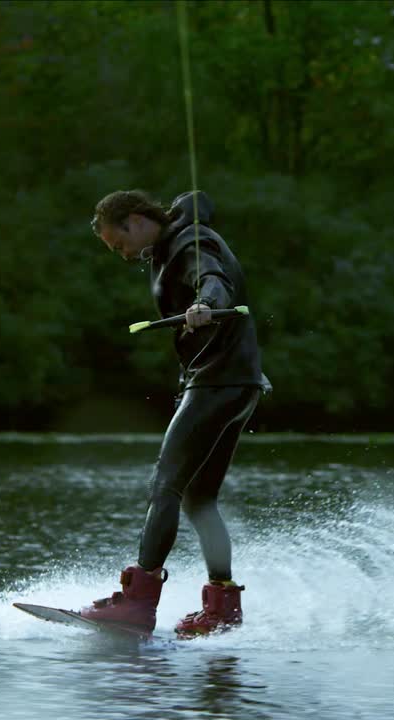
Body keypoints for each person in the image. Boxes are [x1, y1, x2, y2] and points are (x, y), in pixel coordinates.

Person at [82, 189, 268, 639]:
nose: (123, 254)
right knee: (198, 498)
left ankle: (138, 601)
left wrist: (206, 303)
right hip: (240, 384)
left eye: (118, 243)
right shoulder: (173, 245)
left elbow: (213, 278)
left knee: (165, 485)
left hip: (216, 382)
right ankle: (222, 605)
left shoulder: (191, 243)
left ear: (136, 221)